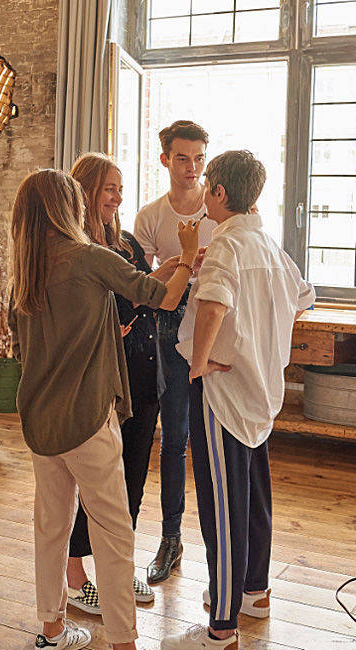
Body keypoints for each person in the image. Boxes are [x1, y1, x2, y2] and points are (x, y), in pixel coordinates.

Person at [9, 168, 198, 650]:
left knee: (50, 528)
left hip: (40, 422)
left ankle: (51, 633)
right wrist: (188, 253)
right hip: (88, 419)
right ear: (68, 208)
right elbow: (163, 297)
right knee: (114, 535)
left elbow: (28, 348)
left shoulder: (24, 275)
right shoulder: (89, 258)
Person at [159, 151, 314, 650]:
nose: (202, 191)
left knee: (222, 510)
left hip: (225, 396)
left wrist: (198, 363)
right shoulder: (267, 244)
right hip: (262, 390)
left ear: (220, 193)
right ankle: (253, 590)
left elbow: (214, 305)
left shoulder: (226, 243)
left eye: (207, 183)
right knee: (252, 493)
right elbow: (299, 298)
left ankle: (221, 631)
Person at [63, 153, 161, 615]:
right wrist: (141, 295)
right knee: (96, 479)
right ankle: (75, 571)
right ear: (84, 192)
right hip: (103, 378)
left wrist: (160, 278)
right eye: (108, 188)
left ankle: (117, 570)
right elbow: (121, 308)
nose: (118, 198)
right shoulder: (76, 247)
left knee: (133, 476)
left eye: (120, 188)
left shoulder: (124, 242)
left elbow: (140, 295)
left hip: (143, 370)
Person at [133, 120, 217, 584]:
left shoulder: (221, 210)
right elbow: (142, 289)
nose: (192, 168)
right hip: (165, 331)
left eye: (199, 158)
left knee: (215, 442)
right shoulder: (150, 217)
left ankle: (221, 547)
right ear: (165, 159)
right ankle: (170, 538)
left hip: (215, 327)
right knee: (173, 440)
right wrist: (181, 263)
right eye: (183, 158)